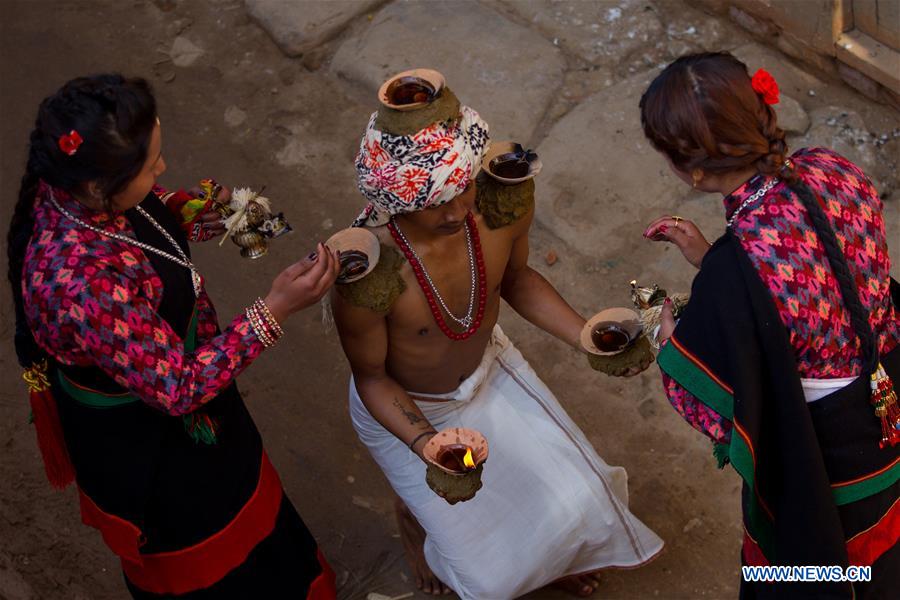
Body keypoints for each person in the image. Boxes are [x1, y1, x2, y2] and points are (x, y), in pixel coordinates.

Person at [8, 74, 341, 598]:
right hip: (155, 449)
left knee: (251, 504)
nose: (161, 168)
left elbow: (147, 212)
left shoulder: (82, 188)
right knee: (214, 553)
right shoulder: (77, 283)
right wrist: (273, 310)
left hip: (200, 404)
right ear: (99, 187)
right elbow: (180, 387)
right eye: (150, 165)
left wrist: (196, 210)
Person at [330, 88, 663, 599]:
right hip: (411, 412)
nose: (460, 209)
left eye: (463, 187)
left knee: (582, 500)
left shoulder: (497, 208)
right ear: (397, 201)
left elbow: (518, 279)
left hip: (490, 371)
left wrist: (583, 335)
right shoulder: (370, 274)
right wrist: (425, 446)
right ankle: (415, 516)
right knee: (490, 578)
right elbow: (372, 378)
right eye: (438, 201)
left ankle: (547, 560)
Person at [640, 53, 899, 598]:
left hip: (824, 458)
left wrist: (666, 336)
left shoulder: (738, 270)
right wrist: (713, 259)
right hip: (889, 394)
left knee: (814, 571)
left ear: (694, 173)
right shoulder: (833, 168)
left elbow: (714, 406)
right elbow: (818, 281)